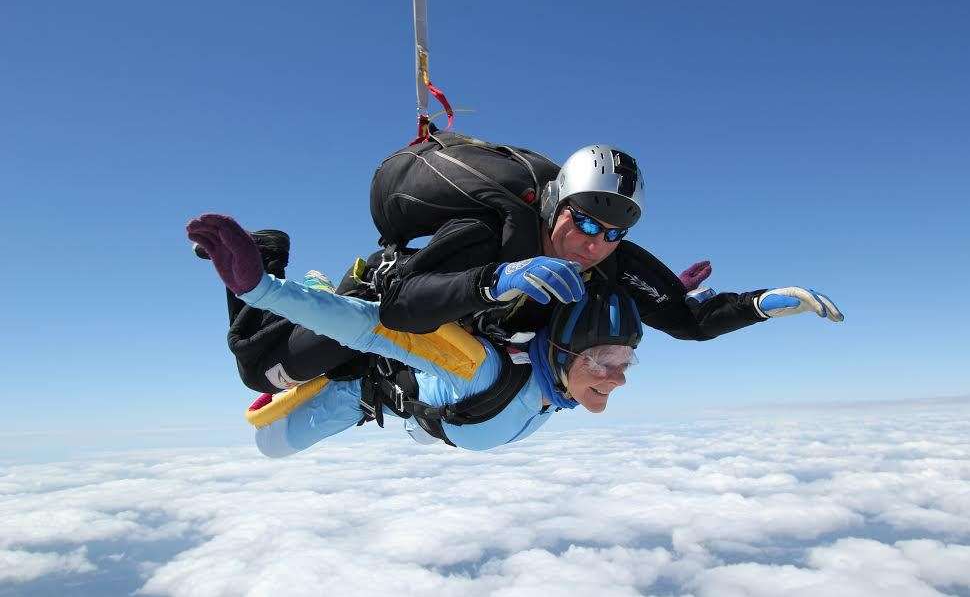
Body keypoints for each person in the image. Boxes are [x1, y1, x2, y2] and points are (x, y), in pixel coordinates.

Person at [195, 134, 842, 397]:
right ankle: (265, 252)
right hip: (382, 309)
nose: (592, 242)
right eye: (583, 220)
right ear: (557, 202)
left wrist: (762, 304)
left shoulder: (607, 260)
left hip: (440, 349)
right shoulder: (493, 231)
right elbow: (398, 306)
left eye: (612, 231)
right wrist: (492, 279)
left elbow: (688, 320)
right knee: (260, 369)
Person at [188, 214, 643, 454]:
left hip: (425, 413)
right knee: (267, 433)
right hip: (359, 387)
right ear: (562, 353)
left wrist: (659, 301)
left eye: (626, 361)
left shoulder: (560, 383)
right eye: (603, 362)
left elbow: (590, 320)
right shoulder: (480, 370)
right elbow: (368, 327)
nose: (619, 378)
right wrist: (264, 290)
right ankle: (273, 260)